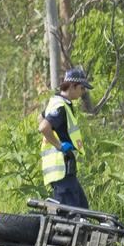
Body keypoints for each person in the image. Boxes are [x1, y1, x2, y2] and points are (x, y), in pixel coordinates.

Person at [38, 68, 92, 209]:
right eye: (81, 88)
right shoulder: (61, 106)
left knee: (82, 208)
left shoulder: (56, 102)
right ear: (72, 86)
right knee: (71, 216)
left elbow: (40, 117)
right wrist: (59, 146)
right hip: (61, 168)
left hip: (65, 170)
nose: (83, 92)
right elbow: (43, 127)